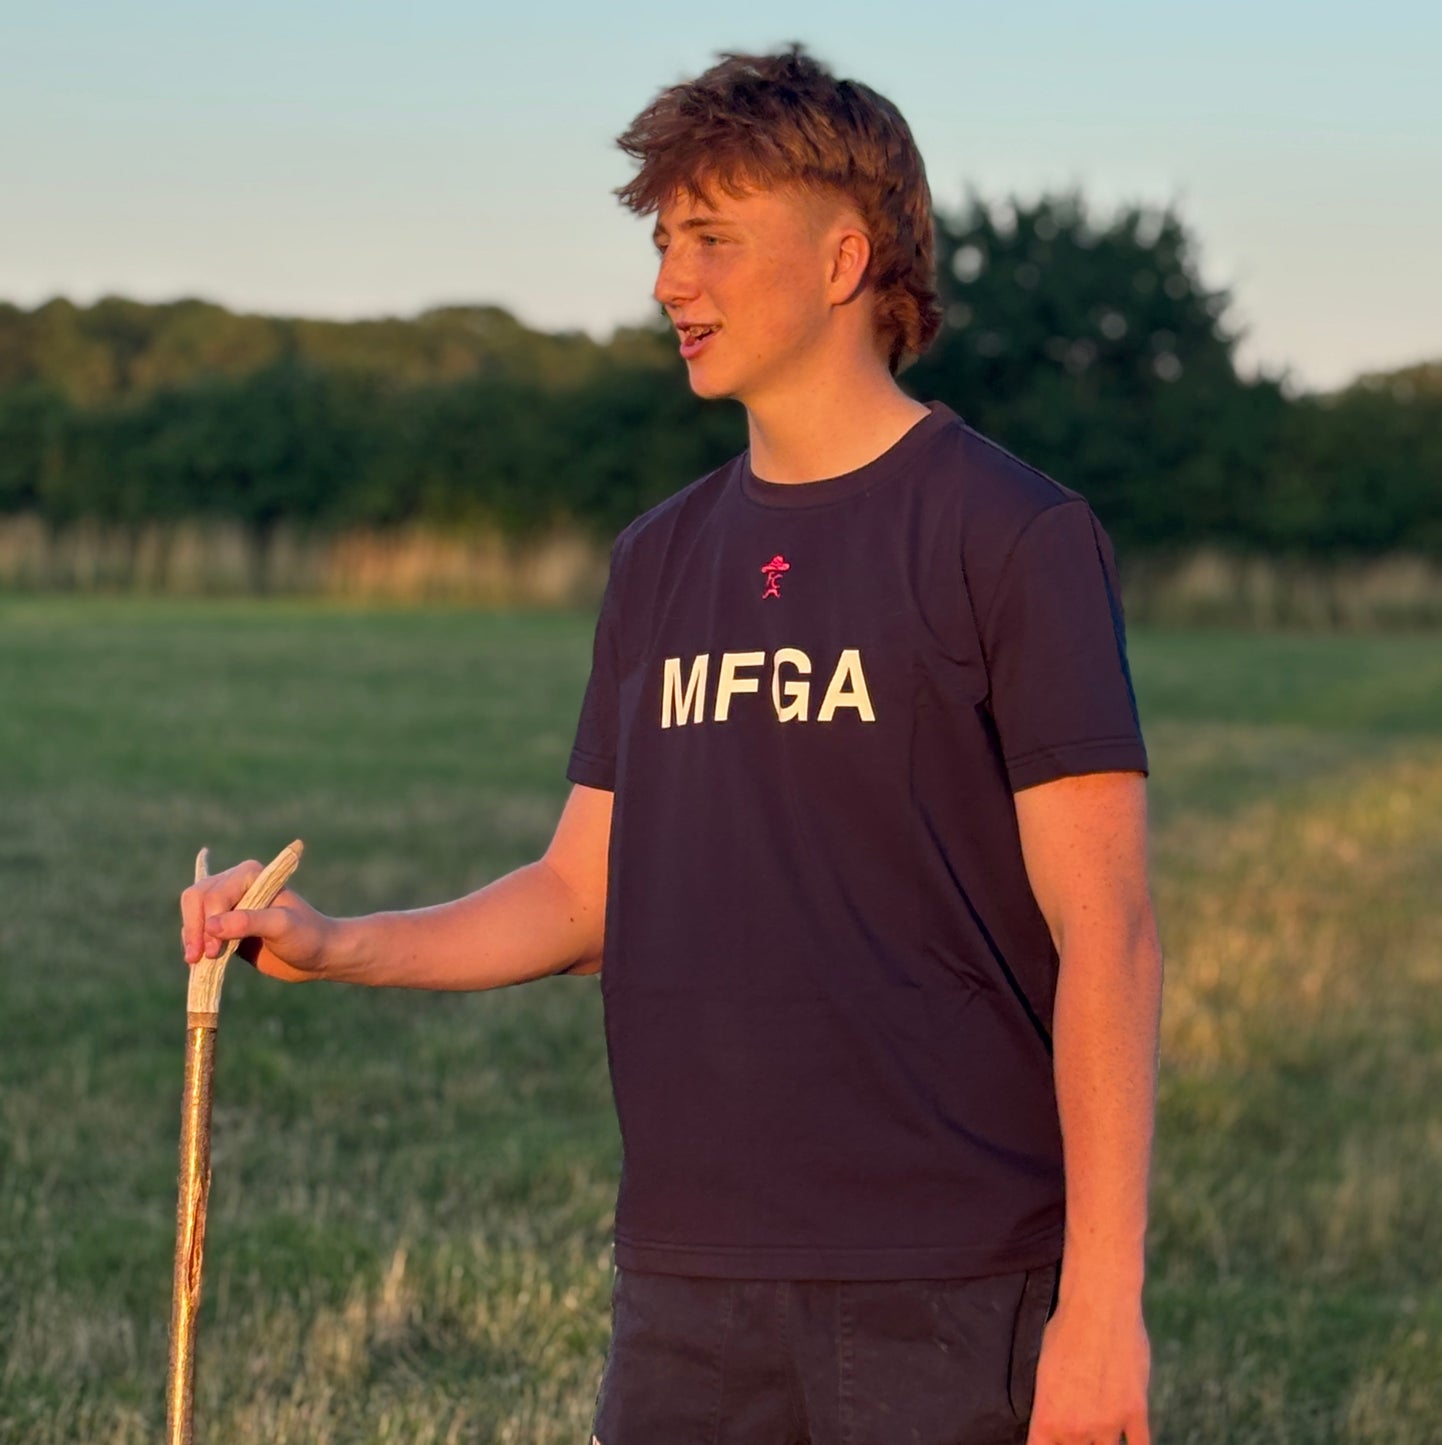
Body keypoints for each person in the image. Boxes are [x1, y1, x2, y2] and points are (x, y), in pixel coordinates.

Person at [182, 43, 1163, 1445]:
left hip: (944, 1276)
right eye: (661, 240)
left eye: (708, 237)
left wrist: (1103, 1301)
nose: (667, 283)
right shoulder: (657, 559)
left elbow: (1108, 933)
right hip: (687, 1276)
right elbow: (582, 894)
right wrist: (336, 941)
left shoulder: (1010, 535)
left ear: (842, 257)